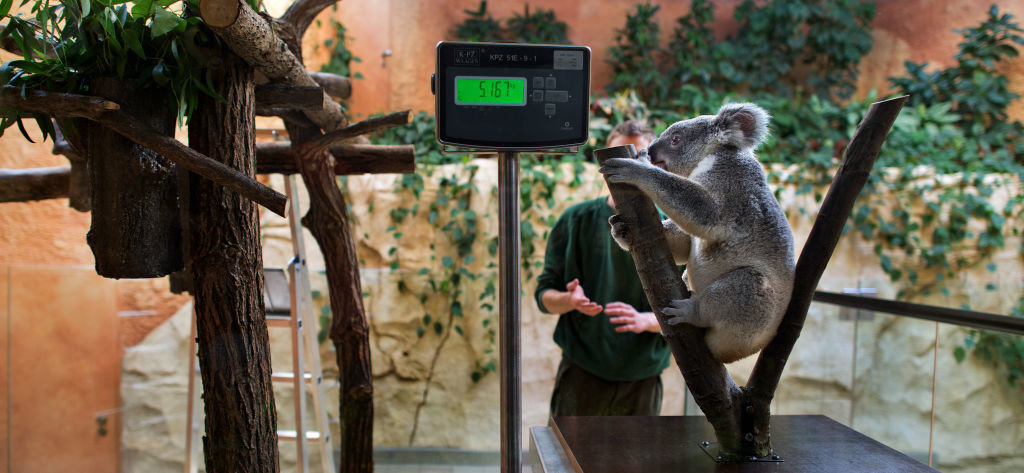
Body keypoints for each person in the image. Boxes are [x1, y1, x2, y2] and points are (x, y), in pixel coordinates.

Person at [535, 120, 671, 417]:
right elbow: (543, 296)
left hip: (642, 379)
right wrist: (569, 301)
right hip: (581, 374)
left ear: (655, 164)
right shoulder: (575, 220)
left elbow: (694, 311)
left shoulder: (674, 228)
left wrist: (646, 320)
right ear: (602, 168)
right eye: (616, 159)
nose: (626, 168)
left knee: (637, 464)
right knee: (569, 461)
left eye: (637, 158)